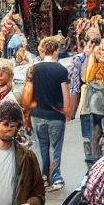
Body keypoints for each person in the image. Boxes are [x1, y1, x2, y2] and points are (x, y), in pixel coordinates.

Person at [24, 35, 73, 191]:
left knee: (42, 146)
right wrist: (67, 112)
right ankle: (55, 177)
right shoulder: (61, 70)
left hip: (37, 114)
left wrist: (26, 112)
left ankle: (44, 177)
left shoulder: (33, 69)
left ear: (42, 50)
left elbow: (28, 92)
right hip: (55, 115)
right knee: (55, 148)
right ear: (56, 50)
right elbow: (66, 94)